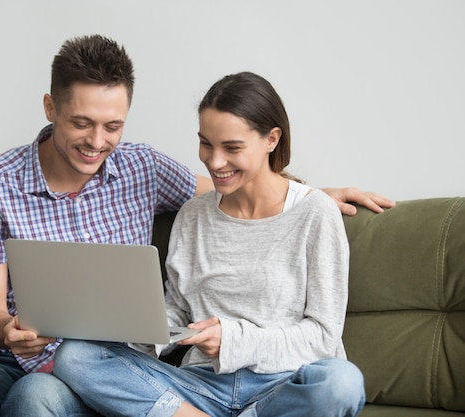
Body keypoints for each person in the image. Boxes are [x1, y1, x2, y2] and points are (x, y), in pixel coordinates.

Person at [0, 35, 389, 416]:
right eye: (81, 123)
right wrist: (9, 331)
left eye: (113, 126)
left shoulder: (142, 168)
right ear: (51, 108)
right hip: (34, 356)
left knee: (42, 392)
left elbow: (233, 183)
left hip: (151, 362)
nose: (97, 141)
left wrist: (314, 196)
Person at [50, 71, 366, 417]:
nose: (214, 162)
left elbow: (322, 337)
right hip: (197, 388)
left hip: (280, 385)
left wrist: (232, 340)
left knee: (342, 383)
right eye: (206, 144)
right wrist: (140, 326)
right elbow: (179, 312)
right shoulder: (193, 215)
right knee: (75, 355)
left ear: (271, 139)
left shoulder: (315, 213)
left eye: (232, 148)